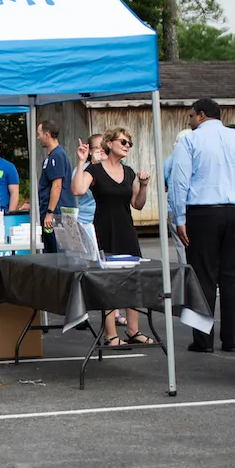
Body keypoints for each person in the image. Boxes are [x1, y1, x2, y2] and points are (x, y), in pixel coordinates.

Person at [170, 98, 235, 353]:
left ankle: (203, 339)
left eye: (191, 116)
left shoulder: (190, 140)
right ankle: (231, 338)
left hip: (203, 213)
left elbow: (179, 182)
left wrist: (180, 218)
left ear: (200, 115)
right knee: (232, 278)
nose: (189, 121)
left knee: (202, 276)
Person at [72, 127, 154, 346]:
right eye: (123, 142)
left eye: (129, 143)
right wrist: (81, 161)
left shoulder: (128, 172)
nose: (127, 146)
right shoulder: (95, 169)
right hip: (104, 228)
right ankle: (111, 334)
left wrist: (144, 185)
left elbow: (137, 204)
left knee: (133, 279)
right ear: (109, 143)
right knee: (109, 281)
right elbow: (78, 190)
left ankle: (133, 330)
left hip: (126, 229)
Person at [36, 119, 77, 254]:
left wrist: (50, 212)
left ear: (47, 134)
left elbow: (57, 185)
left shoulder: (57, 156)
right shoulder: (52, 156)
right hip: (51, 211)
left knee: (56, 251)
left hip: (56, 214)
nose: (38, 138)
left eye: (39, 134)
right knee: (50, 248)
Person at [164, 129, 193, 264]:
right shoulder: (191, 159)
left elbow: (166, 184)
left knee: (180, 246)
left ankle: (185, 275)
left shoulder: (169, 160)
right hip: (189, 206)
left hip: (172, 207)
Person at [71, 133, 104, 238]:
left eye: (104, 147)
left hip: (105, 219)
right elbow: (77, 190)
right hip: (86, 221)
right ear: (90, 151)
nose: (101, 150)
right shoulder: (81, 169)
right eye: (97, 147)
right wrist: (94, 164)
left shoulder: (112, 168)